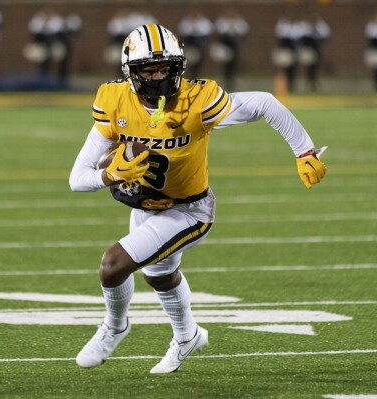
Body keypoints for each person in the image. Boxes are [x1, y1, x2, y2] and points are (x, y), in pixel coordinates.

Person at [69, 23, 326, 374]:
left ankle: (115, 326)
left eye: (165, 68)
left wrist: (304, 151)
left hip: (189, 209)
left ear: (179, 67)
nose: (158, 76)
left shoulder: (198, 101)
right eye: (149, 69)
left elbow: (264, 102)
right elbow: (77, 178)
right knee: (159, 275)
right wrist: (111, 175)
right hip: (146, 206)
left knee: (114, 265)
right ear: (131, 72)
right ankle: (187, 335)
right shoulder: (114, 100)